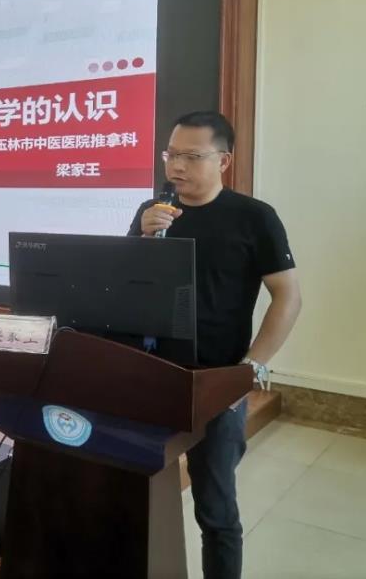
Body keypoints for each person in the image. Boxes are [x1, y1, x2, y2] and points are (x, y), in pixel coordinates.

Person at [128, 111, 301, 579]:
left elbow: (288, 296)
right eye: (170, 155)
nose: (176, 167)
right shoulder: (153, 212)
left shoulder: (255, 218)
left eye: (191, 156)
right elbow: (124, 288)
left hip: (217, 382)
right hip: (150, 374)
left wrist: (250, 368)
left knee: (216, 510)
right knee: (135, 496)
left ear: (223, 160)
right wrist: (142, 238)